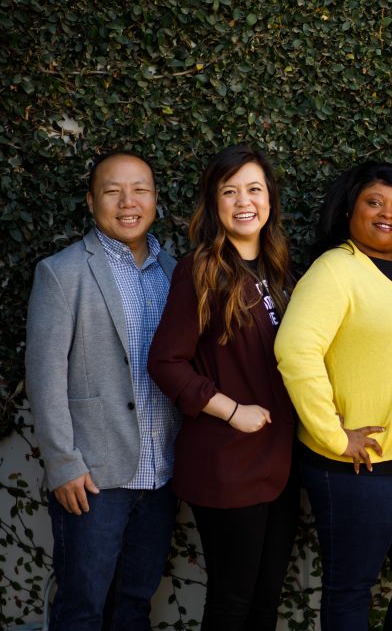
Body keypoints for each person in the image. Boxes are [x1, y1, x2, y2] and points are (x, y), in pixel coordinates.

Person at [275, 162, 392, 631]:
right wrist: (334, 435)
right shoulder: (335, 269)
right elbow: (295, 350)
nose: (388, 215)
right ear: (349, 209)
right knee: (351, 587)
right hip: (360, 464)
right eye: (375, 202)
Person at [25, 150, 180, 630]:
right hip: (92, 479)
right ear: (92, 202)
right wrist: (63, 463)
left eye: (140, 190)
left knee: (133, 606)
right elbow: (44, 374)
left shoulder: (176, 273)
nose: (127, 201)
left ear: (155, 200)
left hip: (160, 476)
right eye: (113, 191)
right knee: (82, 608)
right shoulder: (63, 272)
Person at [147, 145, 298, 631]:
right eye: (228, 192)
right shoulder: (201, 269)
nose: (243, 201)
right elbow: (166, 362)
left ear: (270, 198)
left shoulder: (278, 269)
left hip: (279, 460)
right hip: (228, 460)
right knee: (233, 602)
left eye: (254, 189)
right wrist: (233, 410)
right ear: (213, 204)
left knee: (265, 600)